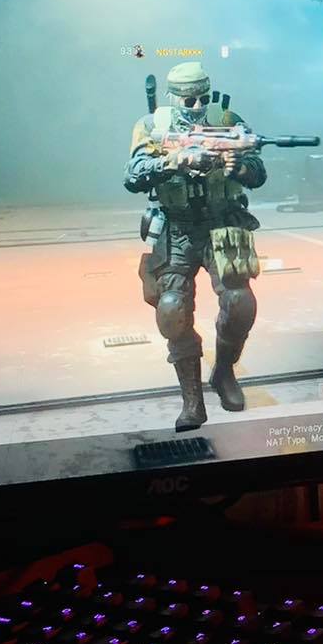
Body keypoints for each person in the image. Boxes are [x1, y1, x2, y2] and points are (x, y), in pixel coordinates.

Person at [122, 61, 266, 431]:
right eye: (189, 101)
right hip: (176, 228)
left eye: (203, 98)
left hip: (223, 223)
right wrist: (175, 160)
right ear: (174, 98)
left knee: (240, 304)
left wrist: (238, 166)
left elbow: (258, 171)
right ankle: (192, 399)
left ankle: (224, 372)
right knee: (171, 309)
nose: (198, 106)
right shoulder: (152, 125)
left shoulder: (227, 120)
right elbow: (133, 176)